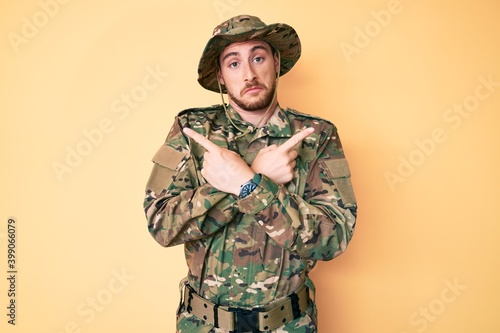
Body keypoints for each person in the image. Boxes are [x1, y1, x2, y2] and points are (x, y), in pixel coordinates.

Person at [143, 14, 357, 333]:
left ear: (275, 61)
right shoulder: (192, 131)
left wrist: (248, 184)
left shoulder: (316, 135)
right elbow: (161, 225)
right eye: (234, 63)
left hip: (289, 324)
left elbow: (334, 239)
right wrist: (251, 179)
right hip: (203, 325)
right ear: (220, 75)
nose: (249, 73)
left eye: (258, 57)